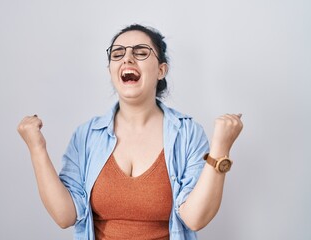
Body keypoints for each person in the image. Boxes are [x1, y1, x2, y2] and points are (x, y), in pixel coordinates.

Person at [17, 24, 243, 240]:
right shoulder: (86, 135)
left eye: (141, 52)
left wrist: (221, 147)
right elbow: (65, 216)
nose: (127, 58)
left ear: (161, 70)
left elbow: (194, 219)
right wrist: (37, 148)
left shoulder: (187, 133)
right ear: (110, 71)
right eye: (117, 54)